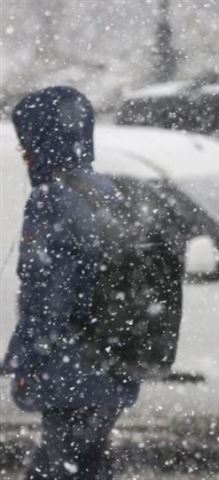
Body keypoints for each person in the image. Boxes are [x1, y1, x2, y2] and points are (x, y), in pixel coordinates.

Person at [3, 86, 140, 479]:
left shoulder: (52, 199)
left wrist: (32, 356)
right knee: (89, 461)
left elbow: (48, 295)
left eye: (27, 143)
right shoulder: (103, 190)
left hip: (72, 367)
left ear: (44, 141)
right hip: (109, 359)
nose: (24, 154)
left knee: (57, 467)